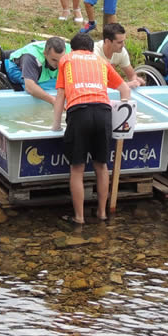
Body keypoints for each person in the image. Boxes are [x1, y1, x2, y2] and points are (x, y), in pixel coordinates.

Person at [51, 31, 131, 224]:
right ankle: (102, 213)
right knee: (102, 166)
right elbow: (125, 89)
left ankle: (79, 217)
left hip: (79, 112)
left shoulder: (67, 60)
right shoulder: (101, 62)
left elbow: (61, 96)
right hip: (104, 112)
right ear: (90, 48)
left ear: (72, 48)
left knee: (77, 168)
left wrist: (55, 126)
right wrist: (123, 118)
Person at [5, 37, 67, 104]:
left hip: (44, 69)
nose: (58, 64)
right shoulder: (31, 58)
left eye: (61, 60)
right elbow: (30, 88)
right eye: (54, 60)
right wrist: (53, 101)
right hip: (16, 69)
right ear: (45, 54)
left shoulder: (70, 51)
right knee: (38, 88)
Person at [95, 22, 144, 87]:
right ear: (108, 41)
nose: (123, 45)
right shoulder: (94, 53)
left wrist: (135, 81)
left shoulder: (121, 51)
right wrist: (125, 85)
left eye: (123, 41)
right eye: (119, 42)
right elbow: (98, 84)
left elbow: (132, 75)